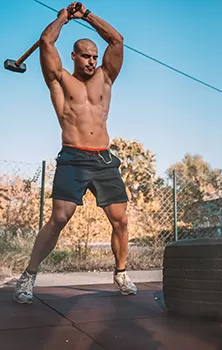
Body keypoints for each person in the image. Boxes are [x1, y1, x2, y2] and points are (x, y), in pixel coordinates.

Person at [13, 2, 137, 304]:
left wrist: (88, 16)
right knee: (59, 218)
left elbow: (117, 40)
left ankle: (120, 272)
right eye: (86, 55)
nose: (92, 61)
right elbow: (46, 42)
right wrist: (63, 18)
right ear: (73, 56)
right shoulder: (59, 79)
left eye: (95, 56)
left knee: (120, 220)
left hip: (104, 159)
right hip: (74, 156)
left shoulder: (105, 78)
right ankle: (28, 275)